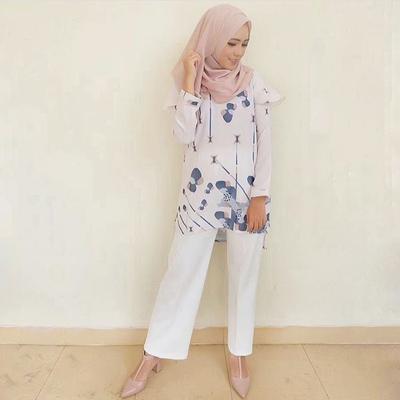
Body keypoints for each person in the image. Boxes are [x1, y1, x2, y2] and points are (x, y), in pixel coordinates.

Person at [120, 3, 284, 398]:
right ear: (211, 38)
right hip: (199, 196)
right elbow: (183, 135)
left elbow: (265, 145)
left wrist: (260, 196)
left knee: (245, 275)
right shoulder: (190, 85)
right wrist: (192, 81)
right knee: (180, 272)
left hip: (247, 198)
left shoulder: (253, 83)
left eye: (244, 43)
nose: (238, 52)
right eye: (230, 42)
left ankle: (238, 353)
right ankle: (153, 353)